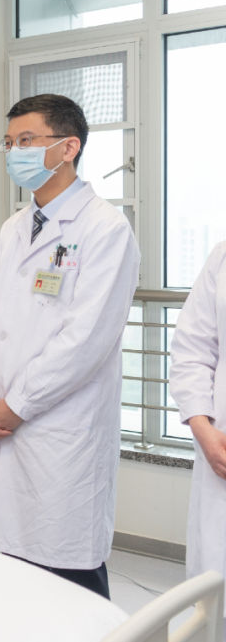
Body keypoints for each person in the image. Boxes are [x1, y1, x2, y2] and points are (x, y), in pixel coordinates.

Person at [0, 94, 140, 599]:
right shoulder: (14, 227)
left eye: (26, 141)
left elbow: (86, 339)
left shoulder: (106, 228)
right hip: (0, 417)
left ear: (68, 147)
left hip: (59, 427)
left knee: (67, 571)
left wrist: (19, 404)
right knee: (9, 569)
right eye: (9, 143)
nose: (14, 152)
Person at [169, 242, 226, 637]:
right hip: (219, 456)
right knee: (215, 611)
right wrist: (203, 429)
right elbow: (191, 351)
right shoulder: (222, 257)